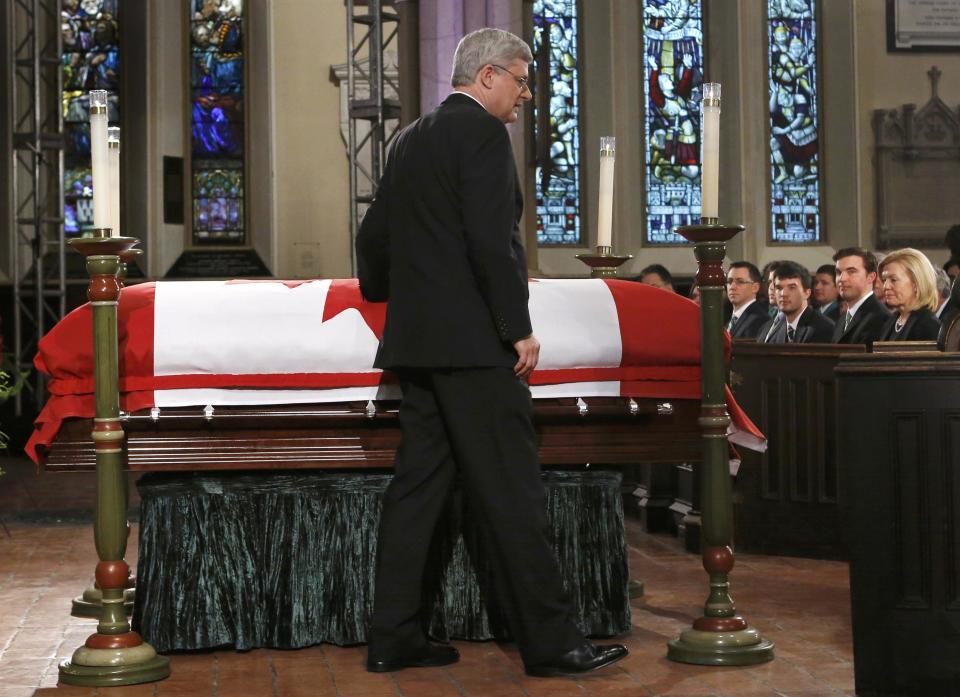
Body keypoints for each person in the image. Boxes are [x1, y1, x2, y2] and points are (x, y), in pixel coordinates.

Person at [355, 28, 627, 678]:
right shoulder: (480, 135)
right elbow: (492, 242)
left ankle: (393, 635)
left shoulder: (410, 139)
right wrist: (517, 328)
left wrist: (398, 295)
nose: (526, 95)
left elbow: (373, 237)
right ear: (486, 76)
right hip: (477, 348)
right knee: (514, 491)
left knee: (417, 491)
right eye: (521, 79)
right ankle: (555, 643)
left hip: (420, 348)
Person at [758, 261, 834, 343]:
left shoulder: (823, 328)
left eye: (792, 287)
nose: (783, 294)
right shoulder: (771, 328)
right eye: (779, 288)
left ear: (806, 293)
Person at [876, 249, 941, 342]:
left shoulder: (928, 326)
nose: (885, 286)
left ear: (916, 284)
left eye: (893, 280)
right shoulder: (891, 320)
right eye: (884, 280)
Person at [832, 247, 891, 345]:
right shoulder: (843, 318)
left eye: (851, 271)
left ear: (871, 277)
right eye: (838, 272)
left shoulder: (881, 318)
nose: (842, 279)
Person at [725, 261, 767, 340]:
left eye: (740, 282)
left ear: (755, 287)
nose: (732, 287)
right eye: (729, 281)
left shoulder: (760, 320)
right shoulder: (727, 317)